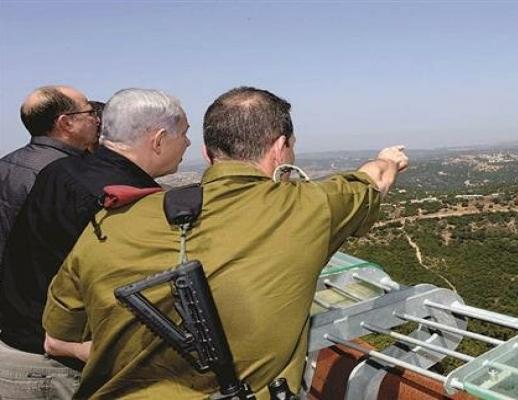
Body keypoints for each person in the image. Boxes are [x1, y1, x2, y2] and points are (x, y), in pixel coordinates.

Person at [42, 86, 408, 399]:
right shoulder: (309, 207)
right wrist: (388, 159)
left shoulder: (111, 221)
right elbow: (373, 179)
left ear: (207, 153)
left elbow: (58, 337)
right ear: (280, 147)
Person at [0, 88, 190, 399]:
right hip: (60, 369)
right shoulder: (121, 199)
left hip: (21, 350)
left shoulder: (61, 171)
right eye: (183, 133)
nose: (188, 143)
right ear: (157, 140)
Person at [0, 85, 99, 263]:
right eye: (90, 112)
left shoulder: (6, 163)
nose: (97, 120)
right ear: (66, 123)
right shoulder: (69, 175)